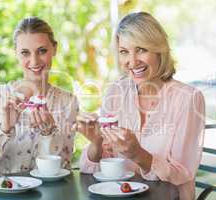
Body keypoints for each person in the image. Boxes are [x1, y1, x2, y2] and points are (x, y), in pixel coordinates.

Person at [76, 12, 205, 200]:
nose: (133, 61)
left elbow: (182, 173)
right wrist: (95, 142)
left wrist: (138, 155)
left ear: (159, 49)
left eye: (141, 49)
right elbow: (96, 169)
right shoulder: (115, 92)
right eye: (124, 52)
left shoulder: (188, 99)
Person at [0, 17, 78, 178]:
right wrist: (4, 128)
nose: (34, 61)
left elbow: (63, 171)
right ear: (16, 53)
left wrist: (49, 134)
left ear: (54, 49)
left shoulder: (68, 102)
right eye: (25, 52)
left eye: (42, 51)